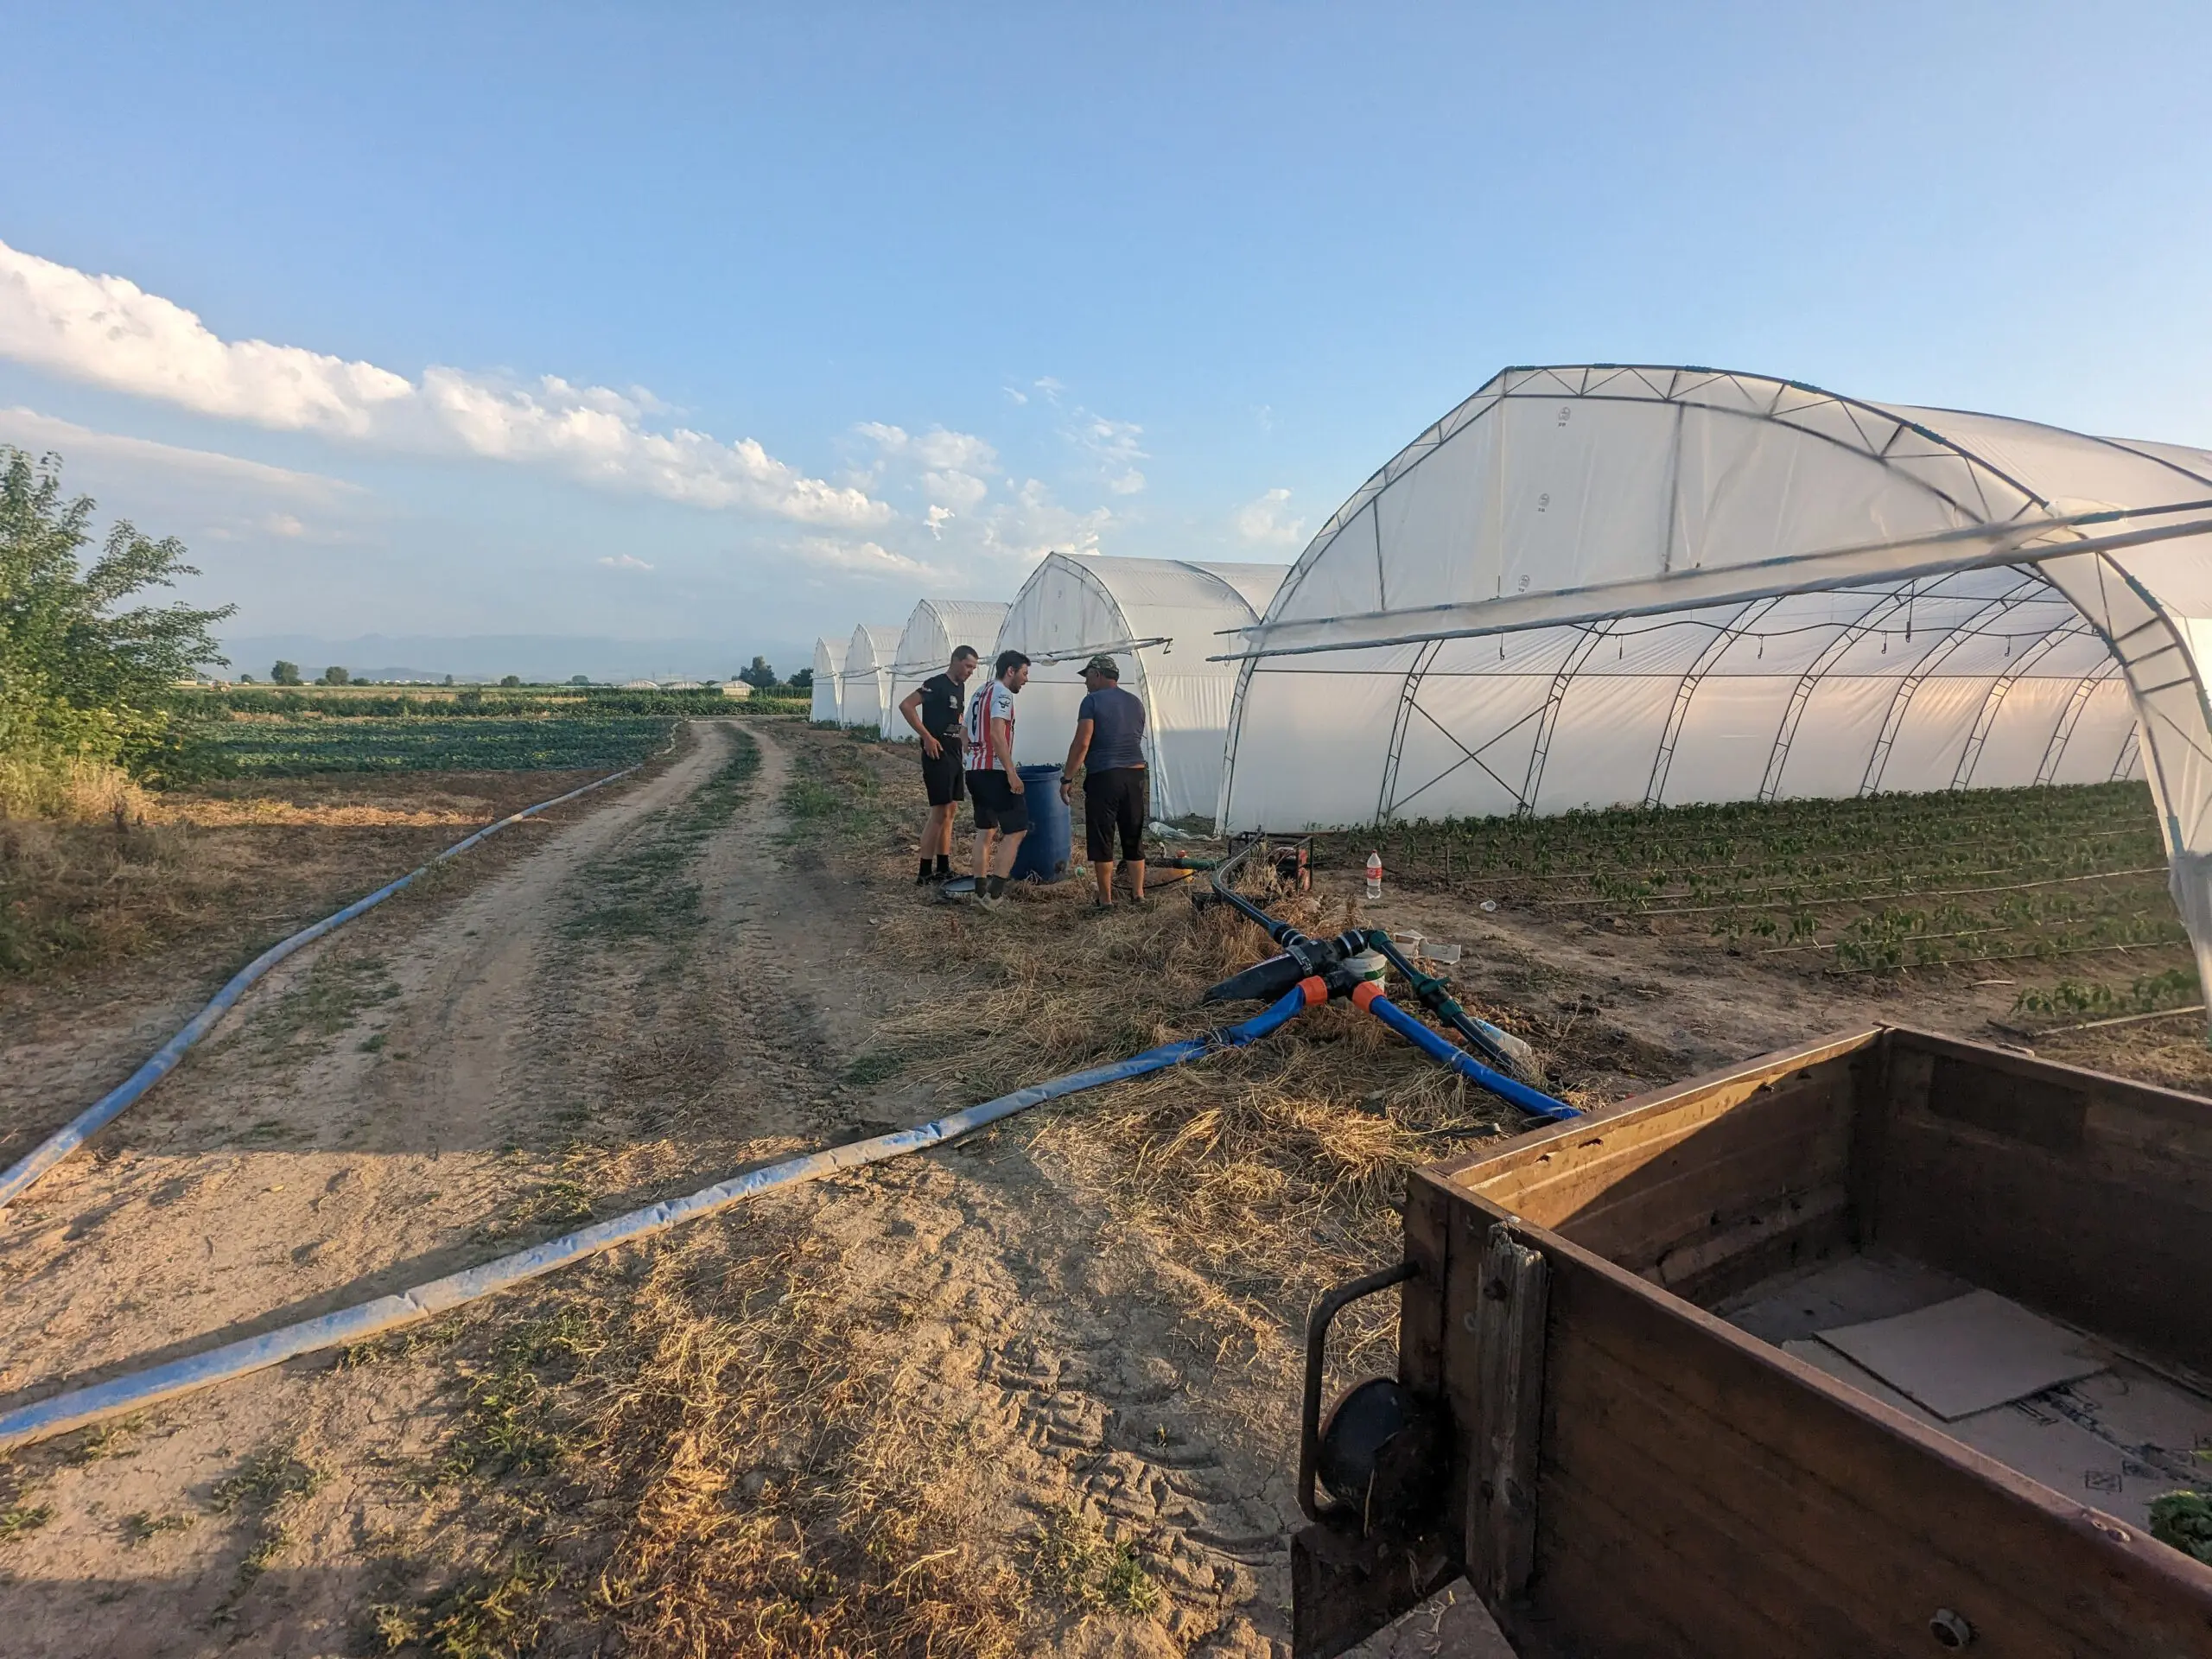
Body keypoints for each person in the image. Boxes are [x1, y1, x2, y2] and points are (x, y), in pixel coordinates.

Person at [1060, 653, 1147, 906]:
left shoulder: (1091, 701)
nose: (1086, 683)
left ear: (1097, 674)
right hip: (1135, 775)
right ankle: (1138, 894)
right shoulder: (1136, 702)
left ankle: (1105, 900)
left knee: (1102, 836)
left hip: (1105, 776)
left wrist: (1067, 778)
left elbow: (1082, 742)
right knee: (1133, 834)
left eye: (1087, 676)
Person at [898, 644, 979, 885]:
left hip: (954, 754)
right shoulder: (935, 684)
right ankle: (924, 871)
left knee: (951, 811)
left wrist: (965, 740)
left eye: (973, 668)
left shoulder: (960, 687)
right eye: (968, 666)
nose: (970, 672)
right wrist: (927, 737)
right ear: (955, 661)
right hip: (937, 756)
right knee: (939, 812)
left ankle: (943, 867)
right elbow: (906, 706)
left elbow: (956, 720)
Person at [963, 649, 1031, 906]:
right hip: (994, 772)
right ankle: (995, 896)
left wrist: (972, 755)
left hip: (974, 771)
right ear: (1010, 671)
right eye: (1024, 673)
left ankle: (979, 892)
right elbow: (996, 733)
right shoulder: (1002, 694)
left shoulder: (979, 692)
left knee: (986, 830)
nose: (1026, 680)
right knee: (1017, 830)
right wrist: (1012, 773)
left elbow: (963, 733)